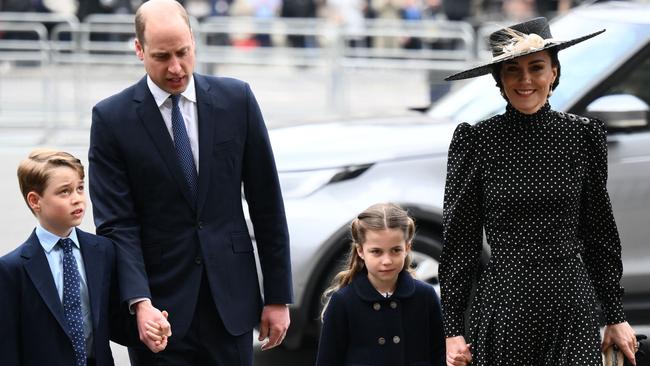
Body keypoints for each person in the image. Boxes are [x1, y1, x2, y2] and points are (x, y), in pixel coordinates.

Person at [87, 0, 293, 364]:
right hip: (158, 313)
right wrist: (139, 301)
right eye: (162, 56)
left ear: (194, 41)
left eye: (183, 52)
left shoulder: (237, 100)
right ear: (139, 50)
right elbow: (117, 224)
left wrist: (277, 296)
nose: (176, 67)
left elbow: (267, 203)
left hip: (231, 304)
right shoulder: (111, 119)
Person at [439, 17, 638, 366]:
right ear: (499, 79)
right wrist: (453, 330)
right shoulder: (476, 141)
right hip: (505, 304)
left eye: (536, 67)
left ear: (554, 73)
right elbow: (460, 241)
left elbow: (599, 232)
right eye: (513, 70)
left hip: (571, 303)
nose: (526, 80)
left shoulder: (583, 136)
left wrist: (615, 314)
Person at [0, 149, 160, 366]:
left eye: (80, 188)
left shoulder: (102, 251)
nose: (77, 199)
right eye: (64, 192)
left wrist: (149, 330)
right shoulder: (12, 268)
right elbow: (7, 346)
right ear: (35, 200)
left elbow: (113, 322)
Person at [315, 203, 446, 366]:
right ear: (360, 251)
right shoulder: (343, 301)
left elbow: (440, 352)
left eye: (396, 250)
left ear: (407, 248)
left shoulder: (425, 296)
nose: (387, 261)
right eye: (376, 251)